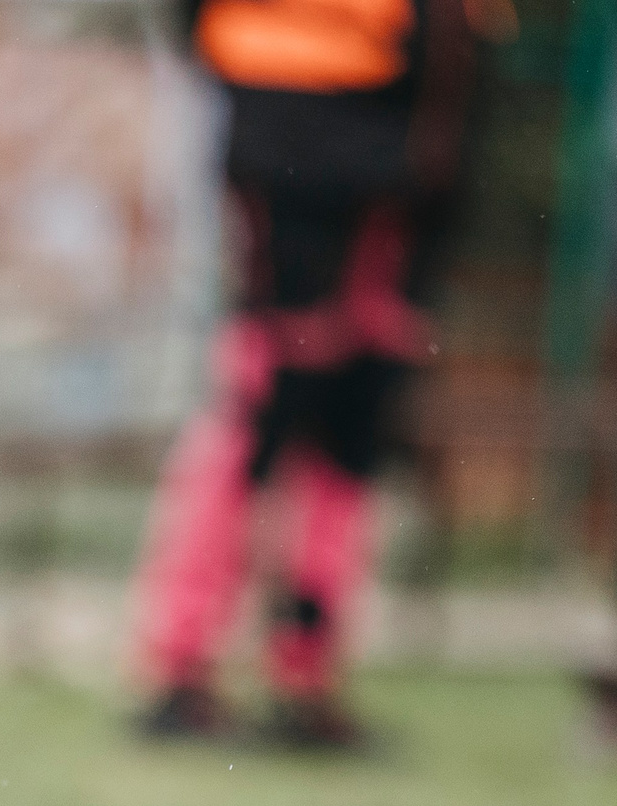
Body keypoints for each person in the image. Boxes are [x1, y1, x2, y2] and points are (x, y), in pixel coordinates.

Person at [133, 0, 486, 748]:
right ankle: (186, 668)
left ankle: (294, 671)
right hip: (319, 125)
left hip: (380, 140)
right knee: (266, 400)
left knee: (342, 413)